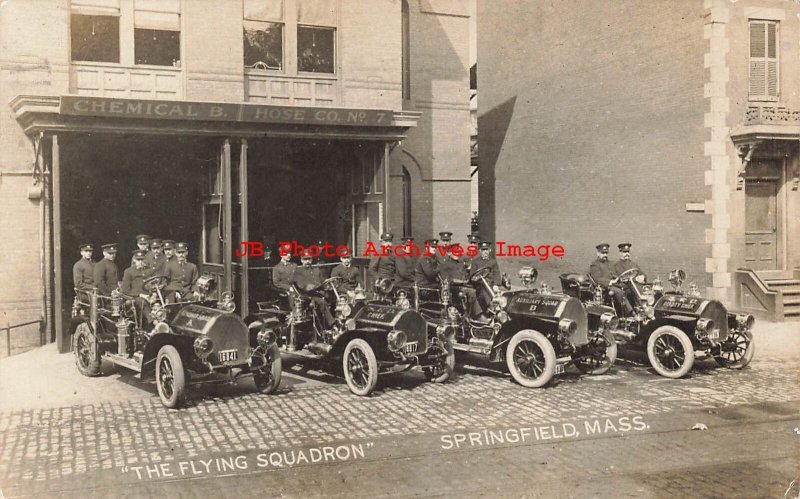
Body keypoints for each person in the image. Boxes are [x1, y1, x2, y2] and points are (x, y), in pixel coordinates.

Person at [589, 243, 633, 316]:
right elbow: (597, 279)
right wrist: (610, 282)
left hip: (614, 284)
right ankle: (630, 312)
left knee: (629, 288)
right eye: (603, 253)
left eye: (606, 253)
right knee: (619, 292)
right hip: (604, 287)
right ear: (598, 253)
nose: (605, 255)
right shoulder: (595, 264)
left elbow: (615, 274)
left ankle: (634, 309)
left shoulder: (610, 263)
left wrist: (620, 279)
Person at [292, 250, 333, 325]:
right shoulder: (298, 271)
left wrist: (328, 286)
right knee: (321, 302)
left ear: (311, 259)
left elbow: (322, 281)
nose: (307, 261)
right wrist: (313, 287)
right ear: (301, 260)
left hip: (319, 293)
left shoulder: (316, 270)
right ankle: (331, 323)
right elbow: (302, 285)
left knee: (335, 299)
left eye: (309, 259)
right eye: (305, 259)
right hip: (307, 295)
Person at [121, 249, 153, 325]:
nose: (141, 262)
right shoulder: (129, 271)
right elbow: (125, 290)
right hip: (136, 297)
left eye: (142, 259)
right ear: (134, 260)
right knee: (142, 302)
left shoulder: (150, 270)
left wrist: (154, 295)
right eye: (138, 260)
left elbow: (154, 284)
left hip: (149, 295)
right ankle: (152, 322)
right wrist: (141, 295)